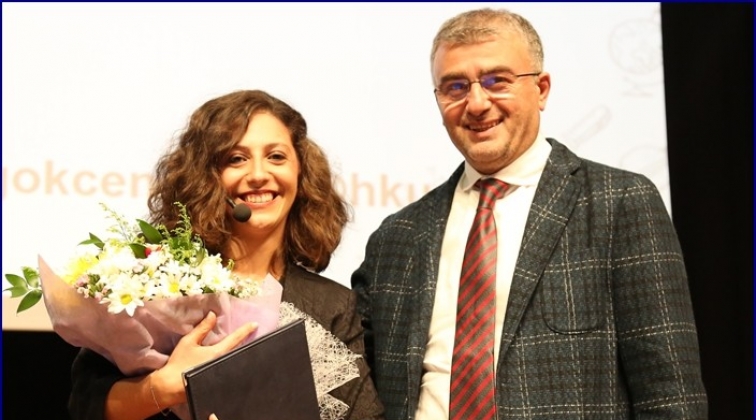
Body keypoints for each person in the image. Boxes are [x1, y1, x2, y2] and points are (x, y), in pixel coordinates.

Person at [351, 8, 707, 420]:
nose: (476, 103)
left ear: (541, 89)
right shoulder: (396, 236)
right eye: (455, 87)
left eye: (496, 81)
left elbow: (670, 395)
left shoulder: (620, 202)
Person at [68, 89, 385, 420]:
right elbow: (85, 403)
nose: (259, 174)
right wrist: (163, 388)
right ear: (206, 177)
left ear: (301, 173)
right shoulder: (157, 283)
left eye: (276, 156)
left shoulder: (332, 305)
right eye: (236, 159)